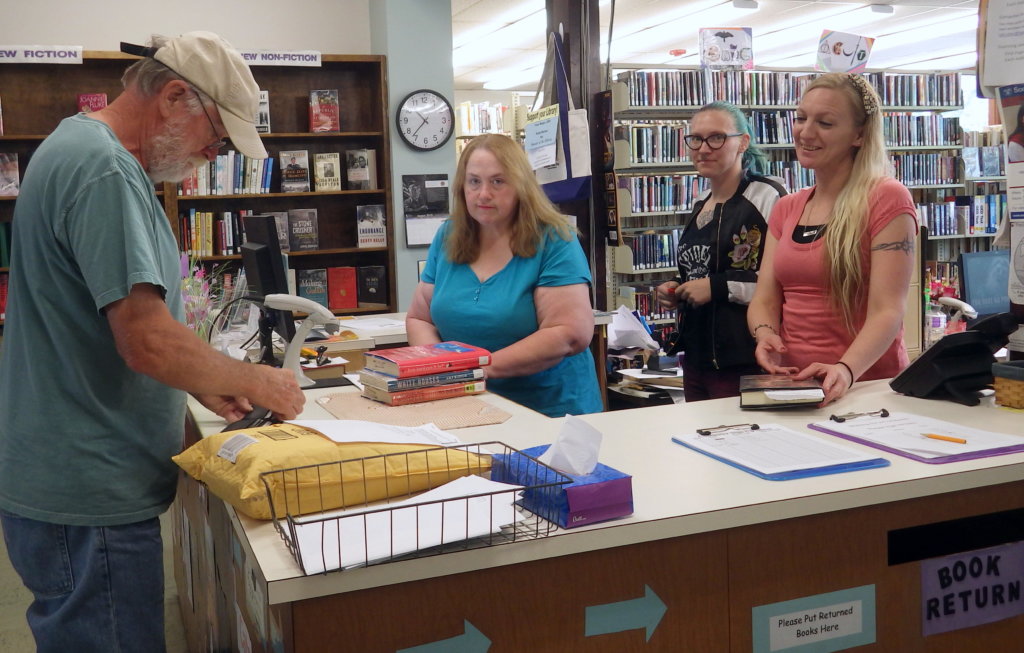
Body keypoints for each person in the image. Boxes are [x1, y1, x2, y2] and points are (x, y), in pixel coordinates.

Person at [0, 32, 305, 653]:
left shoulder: (78, 147)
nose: (212, 154)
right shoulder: (105, 170)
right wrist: (256, 380)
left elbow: (110, 326)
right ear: (172, 98)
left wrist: (207, 381)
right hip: (89, 488)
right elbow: (147, 340)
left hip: (68, 476)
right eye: (216, 136)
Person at [747, 72, 918, 406]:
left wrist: (845, 369)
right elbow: (765, 298)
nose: (806, 132)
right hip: (794, 385)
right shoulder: (787, 207)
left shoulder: (886, 198)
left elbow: (888, 310)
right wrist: (765, 333)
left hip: (864, 389)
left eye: (824, 123)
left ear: (859, 134)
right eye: (801, 118)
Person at [406, 134, 602, 417]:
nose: (484, 193)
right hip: (468, 405)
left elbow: (569, 333)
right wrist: (443, 368)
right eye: (474, 181)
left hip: (549, 412)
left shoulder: (554, 239)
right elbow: (420, 318)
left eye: (498, 181)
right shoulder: (449, 235)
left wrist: (476, 370)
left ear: (521, 186)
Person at [655, 102, 787, 401]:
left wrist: (716, 287)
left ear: (743, 142)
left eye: (716, 138)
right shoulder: (700, 203)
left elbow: (783, 281)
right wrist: (677, 288)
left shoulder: (768, 197)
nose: (703, 149)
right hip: (696, 358)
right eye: (695, 139)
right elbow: (702, 269)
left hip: (746, 358)